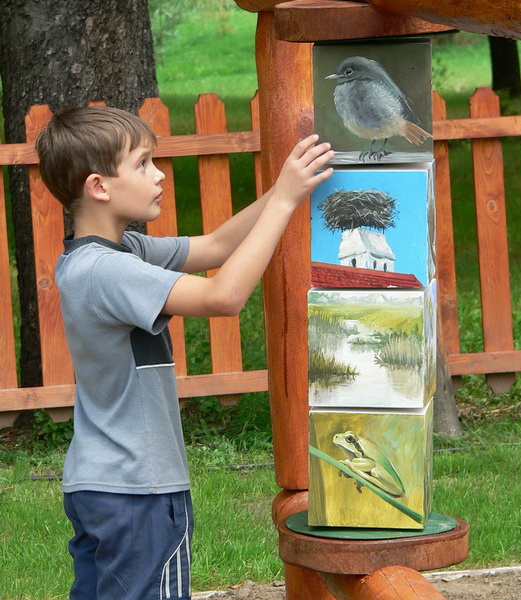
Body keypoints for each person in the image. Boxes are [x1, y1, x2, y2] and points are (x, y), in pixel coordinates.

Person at [35, 105, 334, 600]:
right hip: (139, 488)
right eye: (142, 164)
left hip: (104, 484)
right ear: (99, 187)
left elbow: (216, 245)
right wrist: (283, 200)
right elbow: (223, 296)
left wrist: (289, 186)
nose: (159, 174)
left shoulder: (115, 252)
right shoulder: (106, 271)